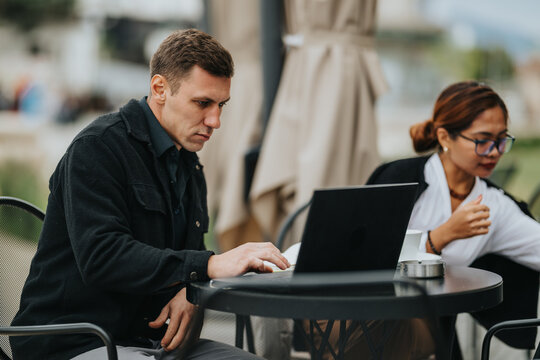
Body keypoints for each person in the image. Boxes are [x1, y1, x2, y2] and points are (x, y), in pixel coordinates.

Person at [10, 28, 290, 360]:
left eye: (221, 105)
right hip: (74, 341)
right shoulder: (98, 148)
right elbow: (102, 256)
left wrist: (190, 289)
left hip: (150, 343)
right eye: (202, 103)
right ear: (160, 89)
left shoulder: (190, 165)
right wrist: (210, 265)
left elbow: (189, 258)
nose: (215, 120)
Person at [366, 80, 540, 354]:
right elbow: (365, 257)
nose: (494, 152)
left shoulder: (494, 205)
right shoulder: (398, 181)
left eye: (501, 140)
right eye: (482, 141)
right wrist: (442, 235)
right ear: (445, 137)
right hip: (368, 318)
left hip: (436, 331)